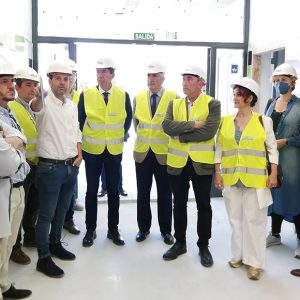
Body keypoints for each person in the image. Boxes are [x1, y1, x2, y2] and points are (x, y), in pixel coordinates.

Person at [214, 77, 278, 280]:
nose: (235, 98)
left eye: (239, 94)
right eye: (234, 94)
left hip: (256, 180)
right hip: (232, 178)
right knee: (235, 220)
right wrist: (218, 172)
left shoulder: (263, 121)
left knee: (254, 222)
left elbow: (272, 149)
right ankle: (238, 256)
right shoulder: (225, 121)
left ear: (250, 98)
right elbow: (219, 148)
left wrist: (273, 173)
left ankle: (255, 263)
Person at [162, 65, 221, 267]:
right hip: (177, 163)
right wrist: (193, 125)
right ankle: (180, 243)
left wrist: (180, 135)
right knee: (178, 204)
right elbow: (167, 127)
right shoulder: (174, 104)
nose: (185, 83)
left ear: (201, 82)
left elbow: (209, 132)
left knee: (204, 205)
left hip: (201, 164)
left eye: (189, 79)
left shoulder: (213, 104)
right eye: (184, 79)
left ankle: (203, 246)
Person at [30, 60, 82, 278]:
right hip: (50, 168)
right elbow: (36, 108)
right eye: (58, 78)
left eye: (67, 78)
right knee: (46, 215)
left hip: (71, 167)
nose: (63, 82)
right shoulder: (42, 102)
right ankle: (43, 258)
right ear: (50, 80)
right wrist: (38, 97)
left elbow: (76, 132)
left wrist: (79, 155)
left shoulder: (71, 105)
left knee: (61, 211)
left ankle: (55, 245)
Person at [78, 57, 132, 247]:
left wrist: (119, 135)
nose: (100, 75)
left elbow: (128, 119)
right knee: (91, 191)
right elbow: (80, 120)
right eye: (98, 71)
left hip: (114, 150)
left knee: (113, 191)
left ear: (112, 74)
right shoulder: (86, 94)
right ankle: (90, 229)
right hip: (92, 150)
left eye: (104, 71)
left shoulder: (122, 94)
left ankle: (113, 229)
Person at [133, 61, 176, 244]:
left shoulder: (174, 98)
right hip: (142, 153)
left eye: (155, 76)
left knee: (165, 194)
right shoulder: (139, 97)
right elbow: (136, 125)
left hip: (163, 154)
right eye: (149, 76)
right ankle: (143, 229)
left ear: (163, 78)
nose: (151, 79)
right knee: (143, 193)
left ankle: (166, 231)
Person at [0, 56, 32, 299]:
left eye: (11, 81)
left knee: (9, 242)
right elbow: (8, 159)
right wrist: (15, 145)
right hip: (6, 187)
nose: (11, 86)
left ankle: (4, 283)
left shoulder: (8, 112)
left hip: (18, 185)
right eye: (4, 81)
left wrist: (13, 143)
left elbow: (22, 141)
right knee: (2, 244)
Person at [265, 63, 300, 258]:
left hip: (293, 160)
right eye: (277, 81)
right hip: (273, 159)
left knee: (294, 196)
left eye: (284, 80)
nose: (280, 84)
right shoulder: (271, 103)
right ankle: (275, 234)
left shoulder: (299, 105)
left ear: (292, 82)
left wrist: (285, 141)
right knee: (274, 194)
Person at [8, 67, 40, 265]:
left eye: (35, 85)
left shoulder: (30, 106)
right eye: (28, 85)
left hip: (34, 164)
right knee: (18, 209)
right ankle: (16, 247)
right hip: (21, 167)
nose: (33, 89)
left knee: (32, 206)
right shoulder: (12, 108)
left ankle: (30, 236)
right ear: (17, 86)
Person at [63, 59, 82, 236]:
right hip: (54, 152)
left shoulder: (79, 97)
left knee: (71, 186)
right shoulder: (48, 98)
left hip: (73, 151)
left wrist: (79, 151)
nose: (69, 80)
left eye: (72, 76)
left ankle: (68, 218)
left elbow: (80, 126)